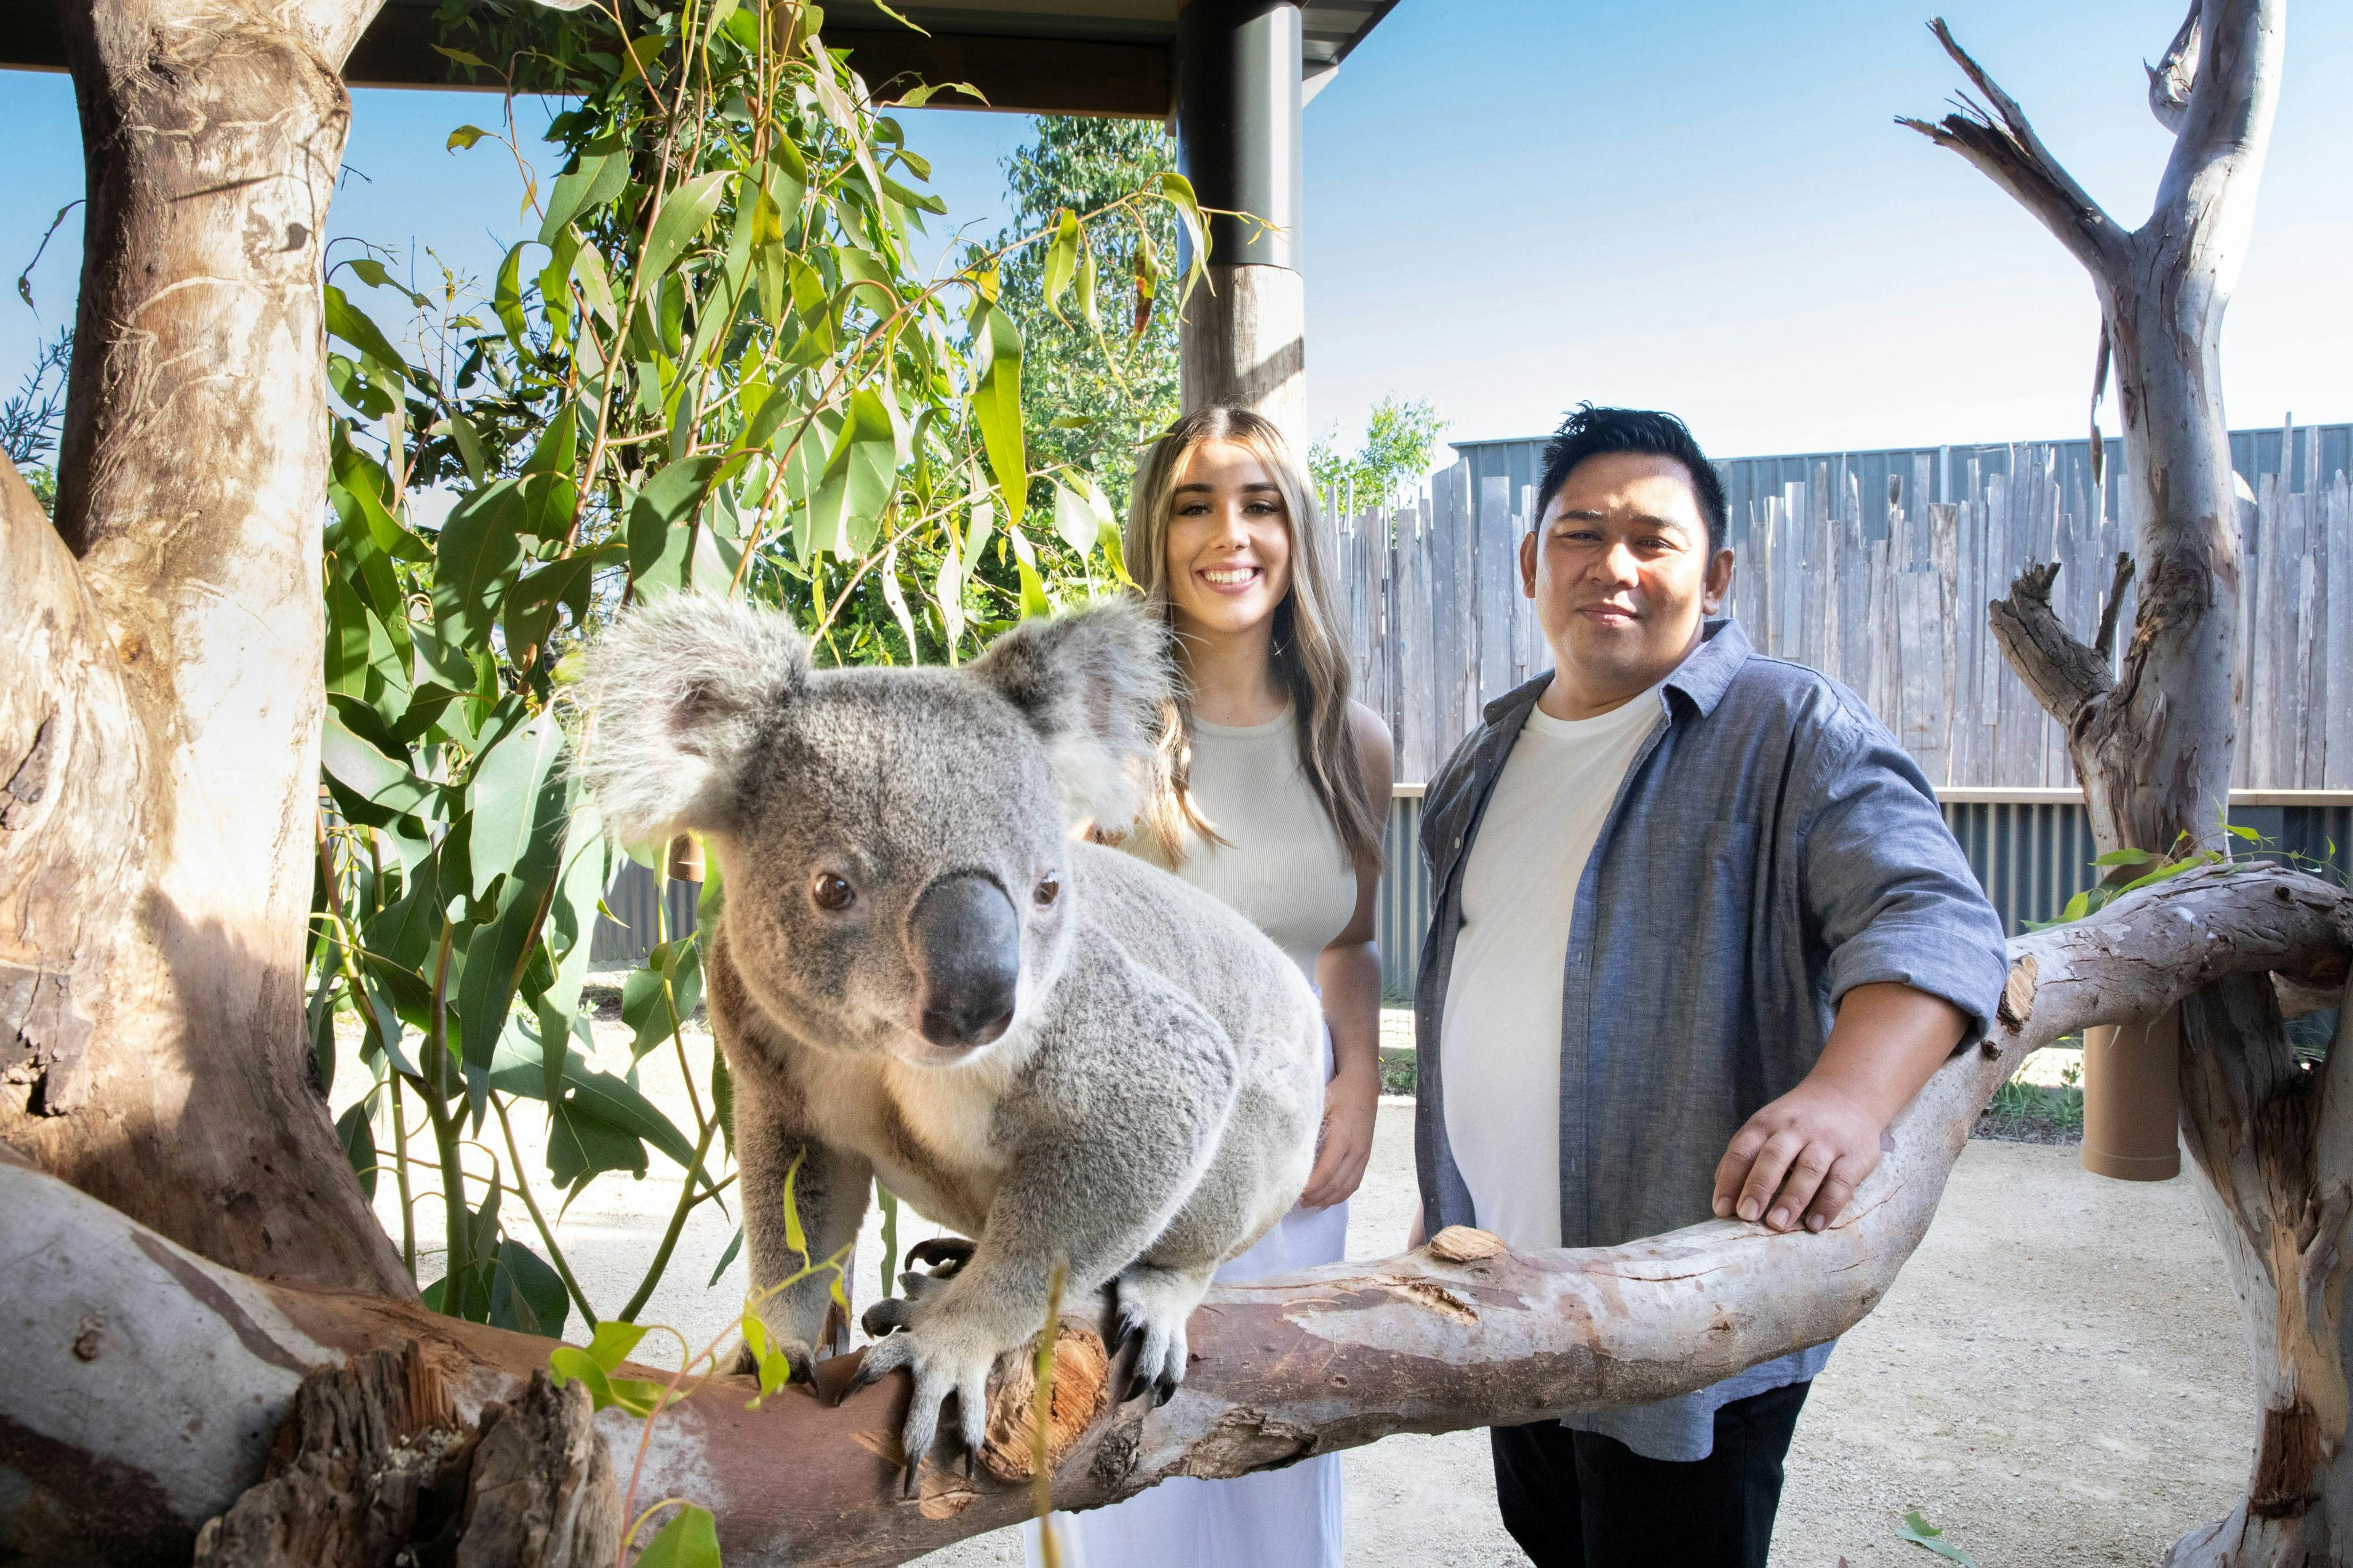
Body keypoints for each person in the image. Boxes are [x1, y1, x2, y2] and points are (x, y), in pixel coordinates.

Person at [1410, 405, 2009, 1568]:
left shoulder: (1788, 729)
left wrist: (1843, 1096)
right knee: (1549, 1538)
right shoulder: (1478, 763)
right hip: (1509, 1279)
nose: (1611, 565)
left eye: (1651, 537)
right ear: (1532, 562)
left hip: (1683, 1307)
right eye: (1579, 533)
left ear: (1715, 570)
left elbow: (1933, 919)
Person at [1026, 404, 1392, 1568]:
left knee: (1286, 1455)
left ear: (1295, 535)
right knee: (1139, 1467)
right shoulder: (1103, 741)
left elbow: (1348, 943)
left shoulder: (1354, 743)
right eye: (1194, 505)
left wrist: (1362, 1087)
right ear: (1155, 534)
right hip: (1141, 1153)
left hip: (1293, 1158)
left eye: (1257, 503)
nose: (1226, 534)